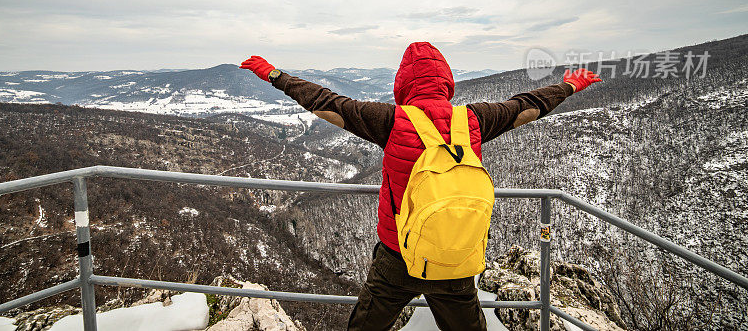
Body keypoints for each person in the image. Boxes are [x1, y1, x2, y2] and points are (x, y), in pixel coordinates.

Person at [241, 42, 601, 331]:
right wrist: (571, 84)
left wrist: (272, 73)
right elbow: (528, 106)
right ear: (446, 81)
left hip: (397, 256)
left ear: (402, 84)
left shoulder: (390, 120)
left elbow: (325, 102)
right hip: (456, 256)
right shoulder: (473, 119)